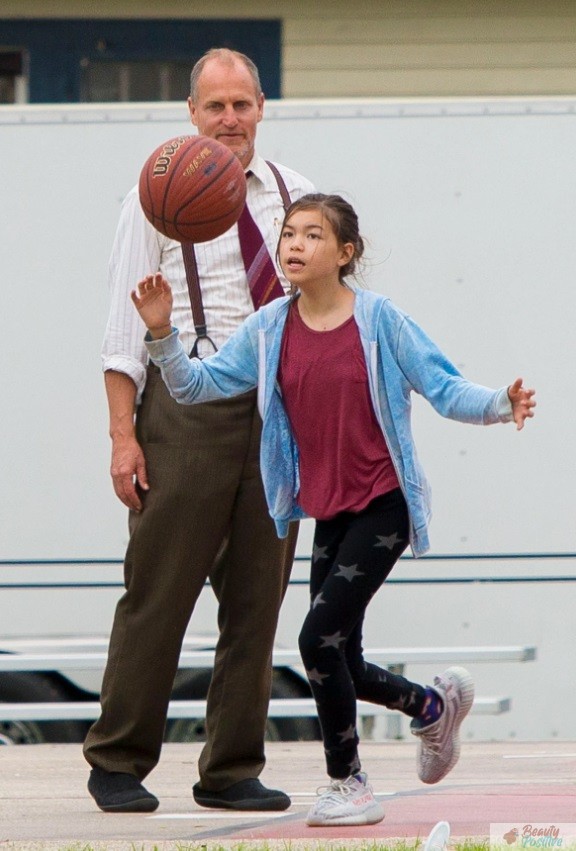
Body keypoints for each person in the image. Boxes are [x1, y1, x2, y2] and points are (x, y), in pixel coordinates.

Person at [131, 193, 536, 827]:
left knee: (315, 640)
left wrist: (498, 404)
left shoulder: (381, 322)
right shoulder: (268, 329)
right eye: (289, 234)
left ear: (345, 254)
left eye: (312, 236)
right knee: (339, 657)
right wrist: (162, 334)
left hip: (384, 505)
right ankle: (432, 708)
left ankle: (349, 784)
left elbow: (443, 386)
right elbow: (195, 388)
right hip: (328, 511)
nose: (294, 245)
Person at [83, 47, 315, 814]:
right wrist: (125, 437)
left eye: (241, 104)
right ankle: (117, 759)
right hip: (186, 409)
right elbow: (122, 332)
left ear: (260, 108)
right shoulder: (153, 194)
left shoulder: (298, 195)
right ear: (191, 113)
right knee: (159, 590)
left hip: (277, 413)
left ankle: (231, 768)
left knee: (258, 597)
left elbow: (330, 315)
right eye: (214, 106)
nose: (229, 120)